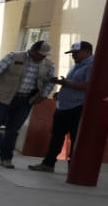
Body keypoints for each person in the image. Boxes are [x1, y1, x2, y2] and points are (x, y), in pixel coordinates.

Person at [0, 39, 56, 168]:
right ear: (33, 50)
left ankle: (6, 159)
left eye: (45, 55)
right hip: (3, 98)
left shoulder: (48, 65)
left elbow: (50, 82)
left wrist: (43, 95)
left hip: (25, 101)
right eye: (41, 54)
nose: (43, 57)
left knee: (13, 130)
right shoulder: (13, 57)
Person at [29, 41, 94, 172]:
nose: (73, 56)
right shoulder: (77, 65)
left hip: (77, 107)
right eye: (72, 54)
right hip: (63, 106)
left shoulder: (91, 66)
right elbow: (72, 83)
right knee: (56, 137)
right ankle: (48, 164)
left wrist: (67, 84)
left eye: (76, 53)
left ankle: (74, 168)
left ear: (87, 52)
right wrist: (62, 89)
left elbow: (89, 85)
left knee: (75, 138)